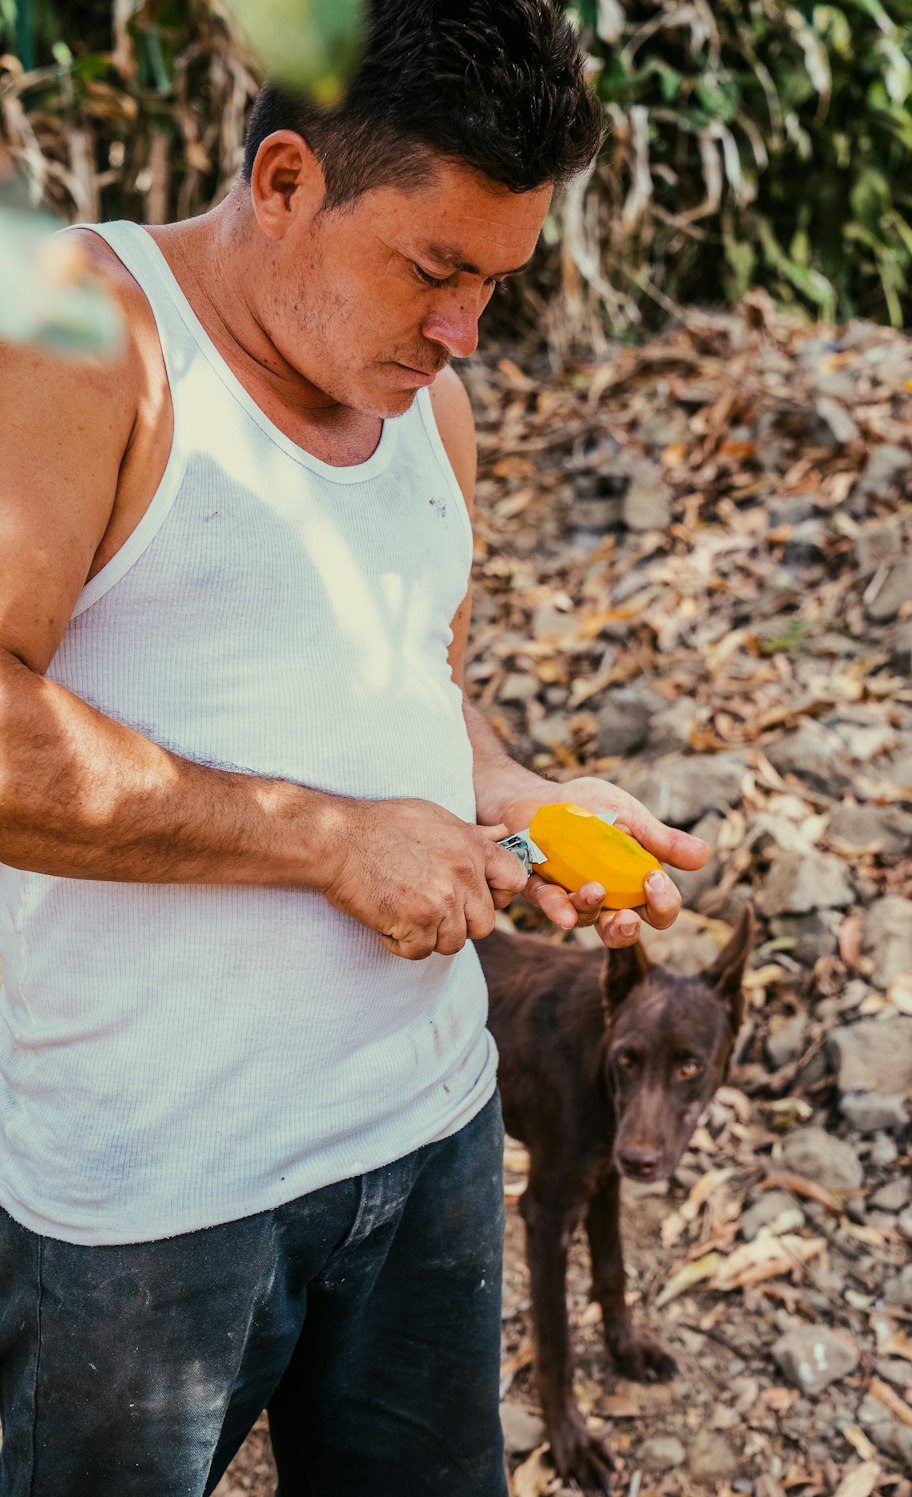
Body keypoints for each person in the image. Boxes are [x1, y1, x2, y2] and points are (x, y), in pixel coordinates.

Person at [0, 2, 709, 1493]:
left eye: (496, 287)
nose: (462, 332)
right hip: (147, 1195)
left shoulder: (426, 403)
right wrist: (332, 840)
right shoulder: (82, 333)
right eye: (436, 270)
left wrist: (519, 797)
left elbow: (408, 679)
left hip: (429, 1132)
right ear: (282, 182)